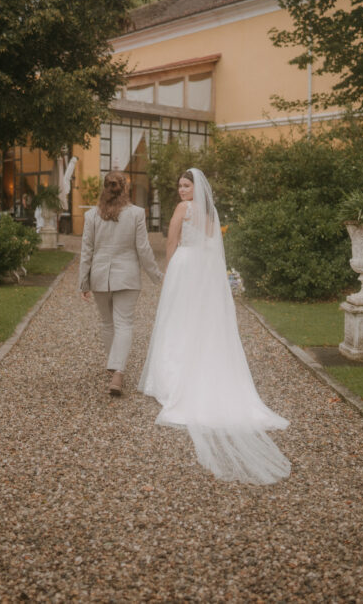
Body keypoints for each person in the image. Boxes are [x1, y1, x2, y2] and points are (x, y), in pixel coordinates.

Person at [139, 168, 291, 484]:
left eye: (186, 185)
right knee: (196, 321)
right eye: (179, 186)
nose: (181, 190)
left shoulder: (183, 209)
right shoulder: (210, 214)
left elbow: (172, 241)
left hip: (184, 267)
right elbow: (211, 247)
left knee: (177, 320)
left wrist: (169, 271)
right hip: (203, 271)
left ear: (195, 187)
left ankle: (172, 379)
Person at [79, 171, 163, 396]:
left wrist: (83, 282)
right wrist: (156, 275)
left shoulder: (91, 215)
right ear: (125, 188)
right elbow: (143, 249)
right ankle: (118, 371)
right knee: (124, 323)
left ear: (105, 188)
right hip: (127, 277)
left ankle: (114, 364)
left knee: (107, 323)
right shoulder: (136, 213)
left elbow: (87, 250)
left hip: (99, 277)